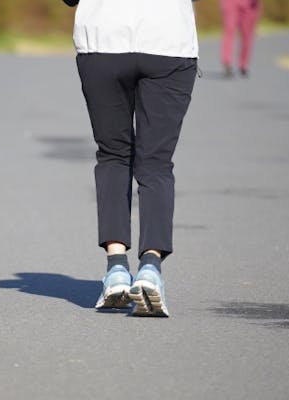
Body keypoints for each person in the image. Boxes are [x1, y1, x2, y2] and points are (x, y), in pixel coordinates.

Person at [62, 0, 198, 316]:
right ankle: (150, 268)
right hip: (168, 40)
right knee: (156, 161)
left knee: (113, 155)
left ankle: (117, 269)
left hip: (102, 38)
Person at [220, 0, 262, 77]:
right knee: (229, 31)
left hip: (250, 4)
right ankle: (227, 63)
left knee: (247, 35)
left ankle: (243, 65)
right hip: (230, 2)